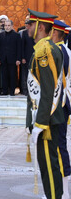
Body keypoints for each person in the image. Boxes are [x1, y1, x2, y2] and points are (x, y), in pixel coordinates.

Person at [26, 9, 63, 199]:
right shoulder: (44, 48)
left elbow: (48, 90)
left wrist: (40, 123)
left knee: (49, 165)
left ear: (40, 27)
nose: (27, 27)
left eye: (30, 24)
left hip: (47, 120)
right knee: (49, 165)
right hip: (47, 117)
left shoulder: (44, 51)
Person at [51, 20, 71, 198]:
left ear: (56, 33)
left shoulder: (59, 51)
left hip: (59, 104)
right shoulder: (65, 50)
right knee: (59, 144)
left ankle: (63, 192)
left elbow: (56, 82)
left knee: (58, 146)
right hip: (63, 103)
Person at [0, 20, 21, 96]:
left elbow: (19, 48)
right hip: (3, 58)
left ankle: (12, 91)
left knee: (12, 75)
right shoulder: (0, 35)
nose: (7, 27)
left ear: (12, 26)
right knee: (4, 76)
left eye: (8, 25)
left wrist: (18, 59)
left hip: (13, 59)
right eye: (6, 25)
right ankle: (4, 91)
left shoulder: (16, 35)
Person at [20, 15, 34, 96]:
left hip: (35, 56)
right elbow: (22, 46)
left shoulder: (36, 32)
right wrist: (22, 57)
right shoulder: (24, 33)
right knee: (25, 75)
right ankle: (25, 90)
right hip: (26, 57)